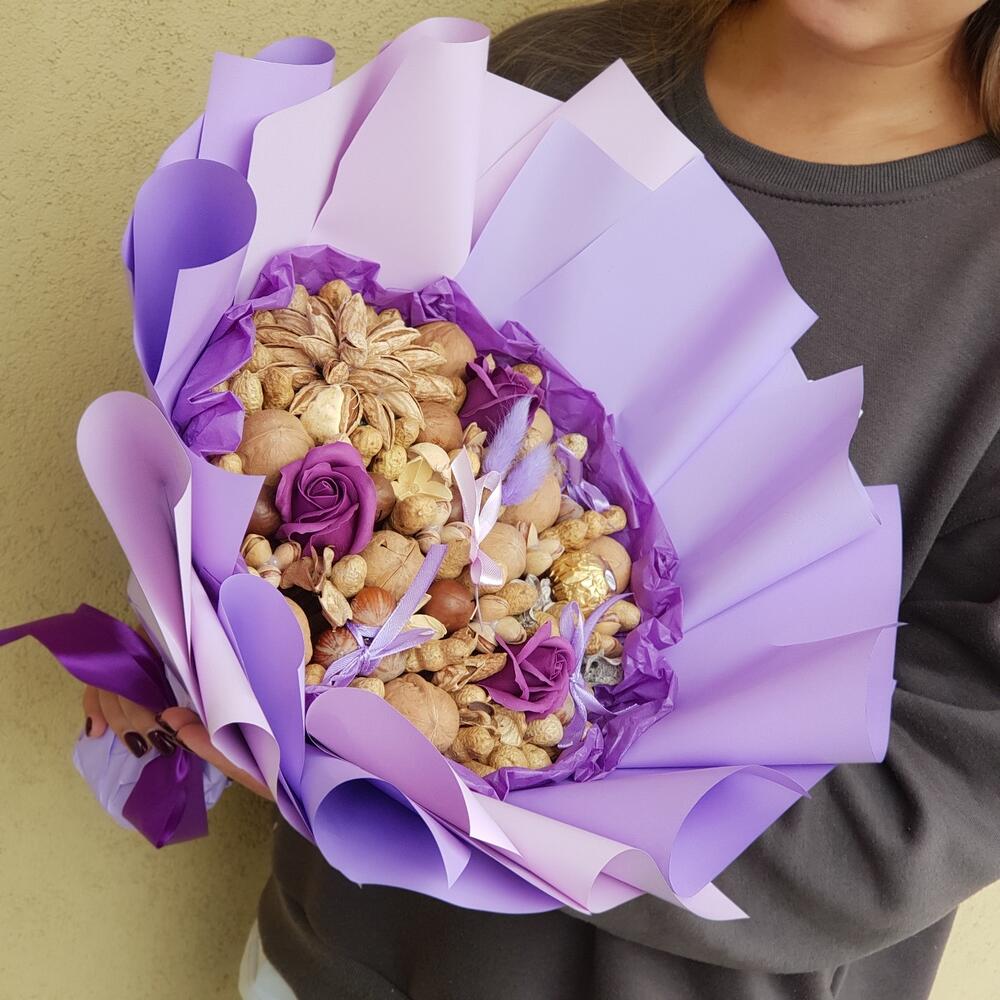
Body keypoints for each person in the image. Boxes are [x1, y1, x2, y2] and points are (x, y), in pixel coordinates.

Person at [84, 2, 1000, 997]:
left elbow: (920, 812)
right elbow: (300, 429)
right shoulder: (549, 81)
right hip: (340, 962)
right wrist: (204, 645)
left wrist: (476, 798)